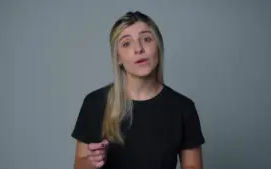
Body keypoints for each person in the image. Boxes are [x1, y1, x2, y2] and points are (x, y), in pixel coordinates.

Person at [71, 11, 205, 169]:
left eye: (147, 39)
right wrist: (92, 162)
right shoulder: (94, 103)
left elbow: (193, 166)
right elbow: (80, 164)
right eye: (126, 43)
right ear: (118, 58)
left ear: (158, 46)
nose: (139, 48)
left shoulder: (183, 107)